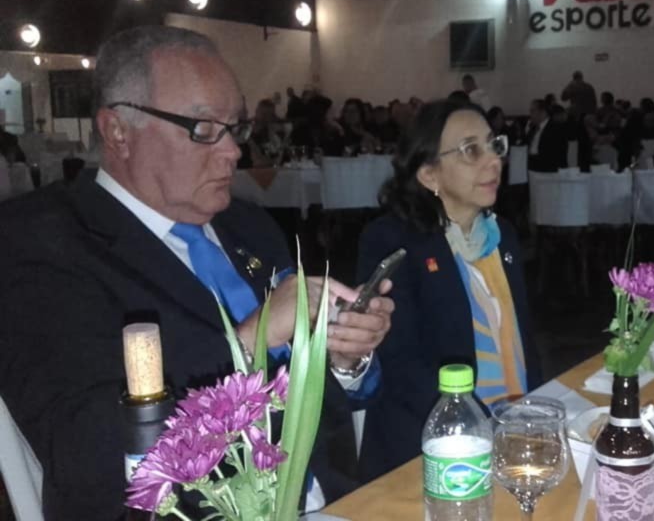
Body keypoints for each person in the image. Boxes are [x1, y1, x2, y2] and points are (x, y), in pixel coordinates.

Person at [0, 26, 395, 519]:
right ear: (118, 130)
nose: (233, 152)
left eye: (236, 128)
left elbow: (313, 406)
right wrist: (249, 342)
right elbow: (87, 452)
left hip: (326, 500)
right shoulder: (41, 244)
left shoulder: (249, 227)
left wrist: (341, 356)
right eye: (204, 128)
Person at [356, 100, 542, 481]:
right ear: (429, 175)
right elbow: (400, 367)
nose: (493, 161)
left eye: (494, 145)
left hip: (514, 436)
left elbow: (524, 344)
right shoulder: (394, 241)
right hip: (432, 454)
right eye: (471, 150)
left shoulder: (501, 235)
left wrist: (533, 421)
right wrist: (480, 430)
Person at [526, 99, 567, 172]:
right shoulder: (532, 129)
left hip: (549, 170)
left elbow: (551, 155)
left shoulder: (556, 129)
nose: (530, 114)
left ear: (543, 113)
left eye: (533, 111)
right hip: (533, 168)